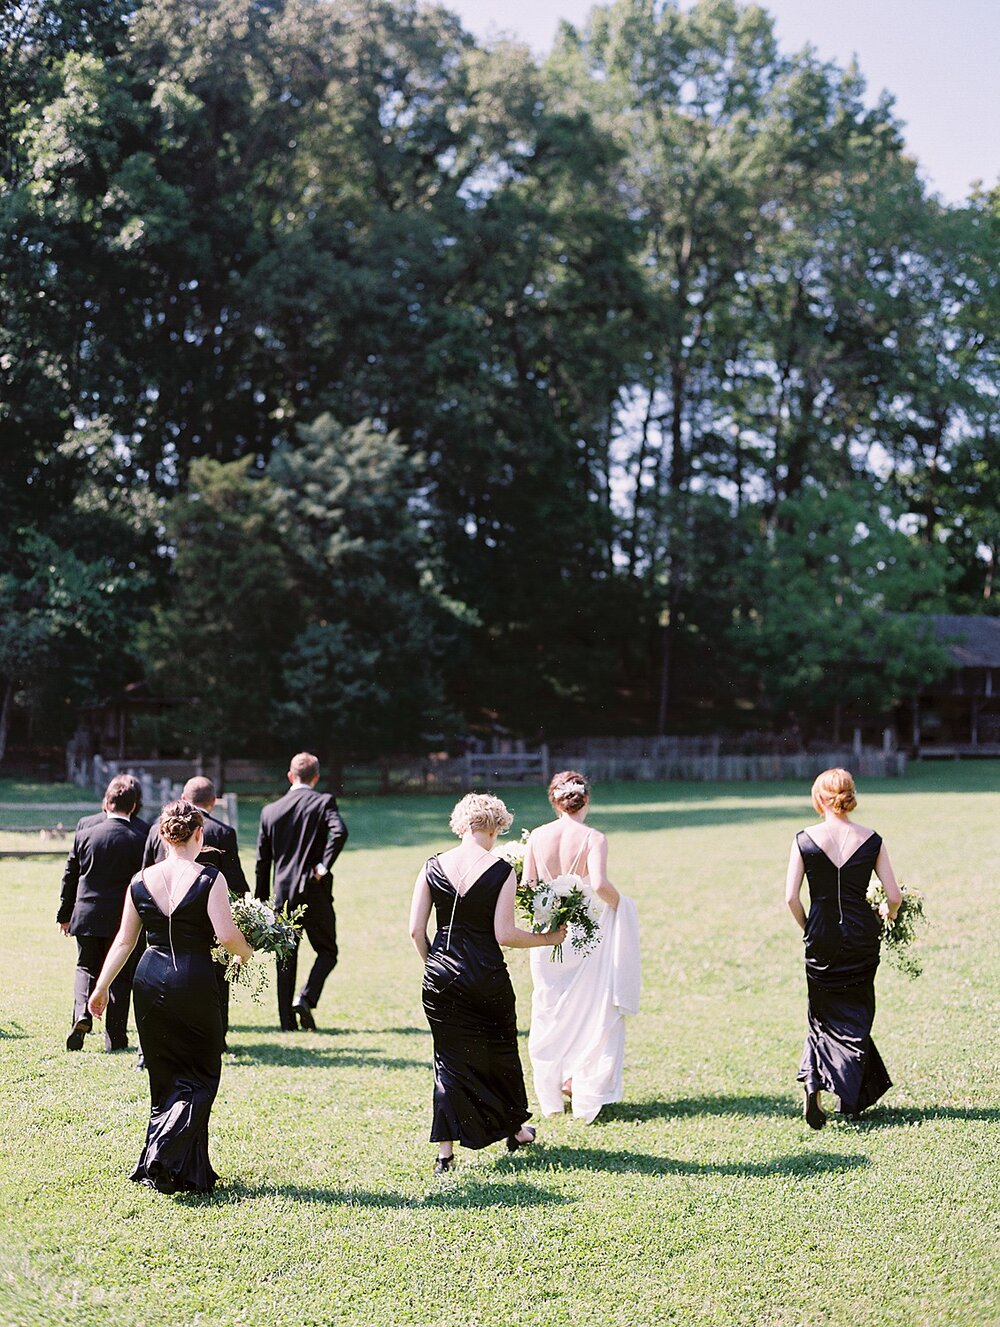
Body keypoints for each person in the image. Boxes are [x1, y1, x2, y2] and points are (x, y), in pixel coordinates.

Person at [87, 800, 253, 1193]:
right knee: (202, 1075)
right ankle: (164, 1155)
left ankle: (187, 1170)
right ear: (199, 835)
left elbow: (125, 940)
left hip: (149, 979)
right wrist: (247, 952)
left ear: (163, 836)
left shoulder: (140, 880)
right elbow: (228, 937)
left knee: (165, 1079)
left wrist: (101, 986)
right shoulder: (210, 878)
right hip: (193, 979)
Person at [409, 792, 566, 1174]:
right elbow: (504, 933)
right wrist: (547, 939)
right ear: (496, 826)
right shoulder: (500, 871)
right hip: (487, 976)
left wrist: (435, 964)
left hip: (440, 976)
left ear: (462, 824)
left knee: (447, 1061)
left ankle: (445, 1154)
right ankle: (514, 1130)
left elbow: (415, 930)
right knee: (499, 1053)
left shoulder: (431, 865)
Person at [522, 771, 641, 1123]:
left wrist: (549, 905)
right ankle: (581, 1082)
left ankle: (553, 1094)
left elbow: (529, 885)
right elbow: (600, 883)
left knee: (549, 1009)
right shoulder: (593, 838)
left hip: (547, 933)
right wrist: (622, 904)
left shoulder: (538, 837)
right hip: (584, 933)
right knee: (591, 1008)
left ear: (554, 801)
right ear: (585, 800)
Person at [785, 767, 901, 1128]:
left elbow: (790, 898)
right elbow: (894, 895)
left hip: (821, 936)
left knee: (820, 1016)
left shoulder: (804, 838)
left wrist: (810, 929)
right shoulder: (872, 839)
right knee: (857, 1014)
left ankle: (814, 1084)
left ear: (820, 798)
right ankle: (849, 1099)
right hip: (861, 936)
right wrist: (887, 911)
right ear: (849, 796)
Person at [144, 776, 249, 1042]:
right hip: (207, 920)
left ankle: (152, 1045)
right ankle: (216, 1036)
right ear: (214, 802)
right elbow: (235, 882)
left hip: (162, 916)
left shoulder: (158, 830)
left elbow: (145, 870)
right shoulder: (224, 832)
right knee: (215, 978)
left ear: (183, 797)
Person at [255, 752, 348, 1031]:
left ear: (290, 776)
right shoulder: (323, 802)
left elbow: (263, 861)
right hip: (314, 890)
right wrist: (323, 866)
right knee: (328, 951)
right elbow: (340, 832)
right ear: (316, 777)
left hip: (283, 895)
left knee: (285, 957)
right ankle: (306, 997)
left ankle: (286, 1022)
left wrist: (261, 900)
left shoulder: (270, 811)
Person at [56, 774, 149, 1051]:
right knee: (121, 975)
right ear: (133, 807)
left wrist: (65, 914)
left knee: (85, 967)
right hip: (124, 919)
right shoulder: (140, 837)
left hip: (86, 914)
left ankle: (82, 1014)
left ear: (105, 803)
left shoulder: (84, 833)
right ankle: (115, 1037)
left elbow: (70, 875)